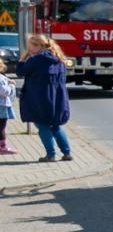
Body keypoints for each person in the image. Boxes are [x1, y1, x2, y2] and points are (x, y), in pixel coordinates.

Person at [17, 34, 72, 162]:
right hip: (58, 98)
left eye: (30, 47)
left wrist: (22, 59)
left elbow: (20, 72)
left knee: (42, 125)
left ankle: (50, 154)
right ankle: (67, 153)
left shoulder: (37, 60)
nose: (29, 50)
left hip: (40, 98)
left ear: (39, 46)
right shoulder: (58, 58)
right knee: (56, 125)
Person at [0, 57, 16, 155]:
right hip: (1, 106)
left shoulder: (2, 78)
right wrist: (11, 86)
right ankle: (3, 147)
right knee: (1, 126)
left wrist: (8, 81)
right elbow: (4, 91)